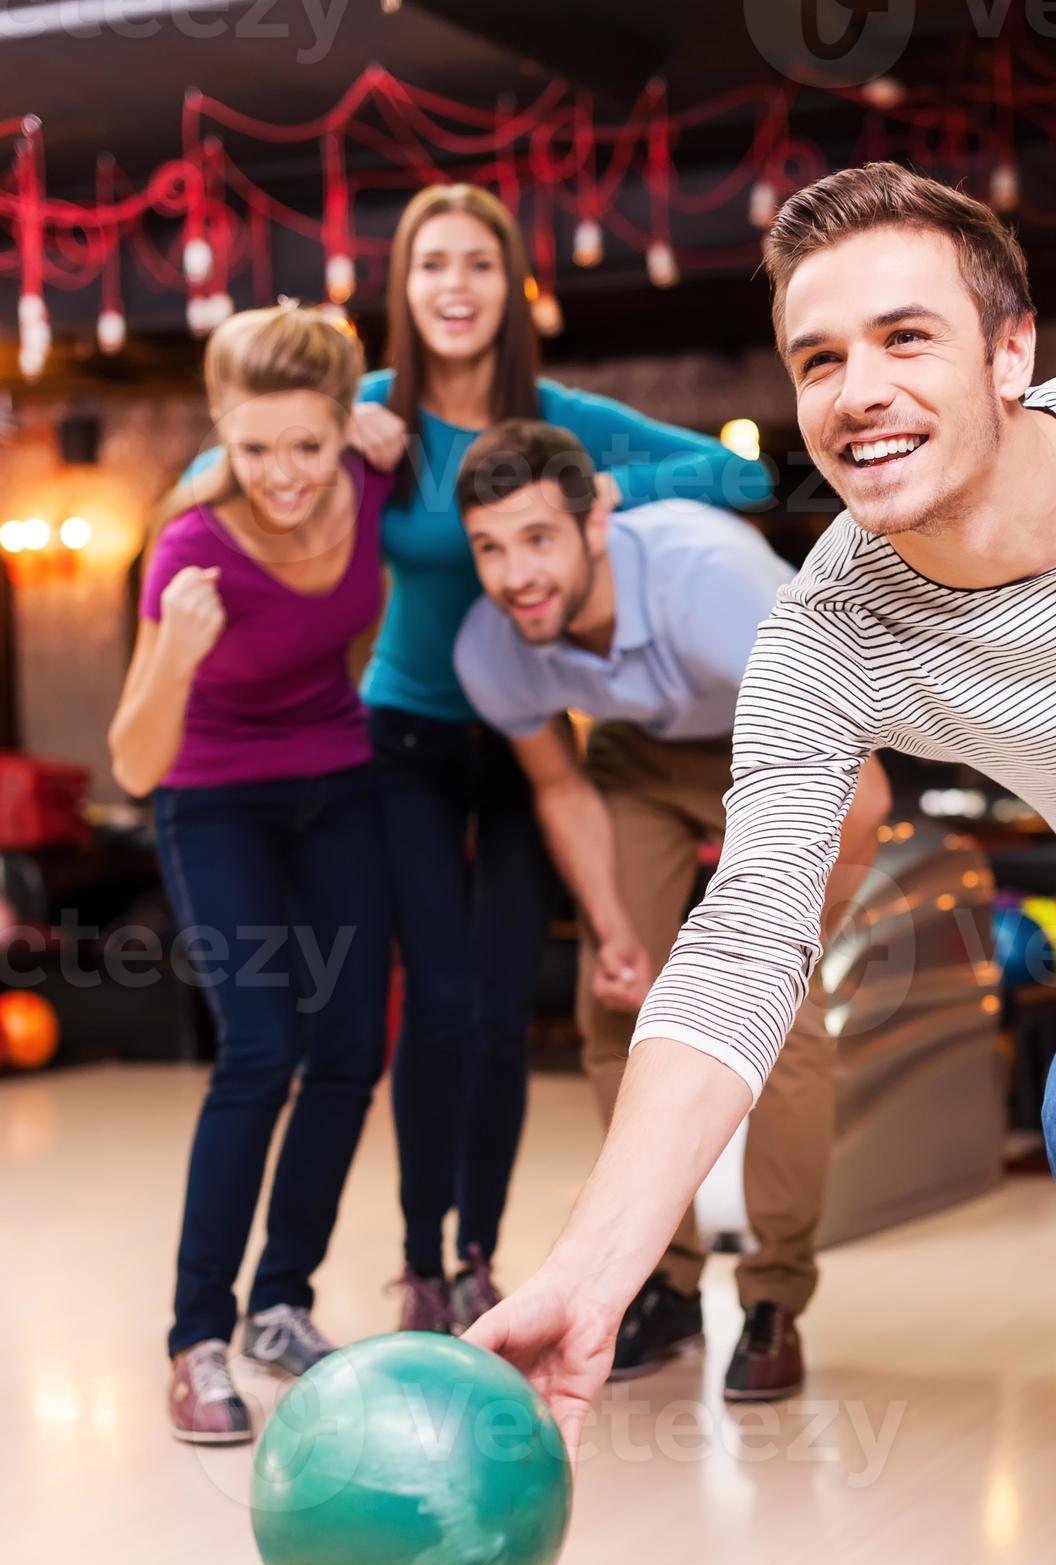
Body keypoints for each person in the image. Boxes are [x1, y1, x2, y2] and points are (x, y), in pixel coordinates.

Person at [468, 161, 1056, 1565]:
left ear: (1009, 353)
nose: (858, 392)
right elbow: (740, 947)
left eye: (905, 338)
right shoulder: (831, 633)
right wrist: (592, 1273)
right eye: (819, 359)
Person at [348, 183, 775, 1340]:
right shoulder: (369, 412)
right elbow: (220, 479)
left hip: (534, 729)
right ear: (402, 287)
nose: (453, 287)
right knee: (431, 1003)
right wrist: (341, 433)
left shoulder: (559, 415)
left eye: (478, 264)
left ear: (510, 288)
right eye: (430, 264)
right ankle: (417, 1259)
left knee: (497, 1008)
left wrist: (606, 492)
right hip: (408, 733)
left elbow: (743, 477)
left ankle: (480, 1256)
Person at [451, 419, 891, 1395]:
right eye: (489, 547)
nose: (515, 573)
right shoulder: (492, 646)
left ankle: (772, 1295)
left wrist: (796, 938)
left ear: (594, 518)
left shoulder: (709, 581)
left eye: (536, 538)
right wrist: (611, 929)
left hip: (774, 734)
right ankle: (664, 1280)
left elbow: (861, 788)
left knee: (780, 1015)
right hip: (636, 752)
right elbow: (563, 791)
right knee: (614, 1000)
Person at [110, 305, 393, 1445]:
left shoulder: (373, 471)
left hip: (340, 782)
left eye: (307, 446)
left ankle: (282, 1303)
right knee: (261, 1048)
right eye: (254, 446)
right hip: (212, 795)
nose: (282, 474)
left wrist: (385, 423)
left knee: (348, 1053)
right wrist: (177, 643)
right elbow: (134, 759)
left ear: (344, 428)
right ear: (218, 428)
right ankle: (196, 1338)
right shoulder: (188, 548)